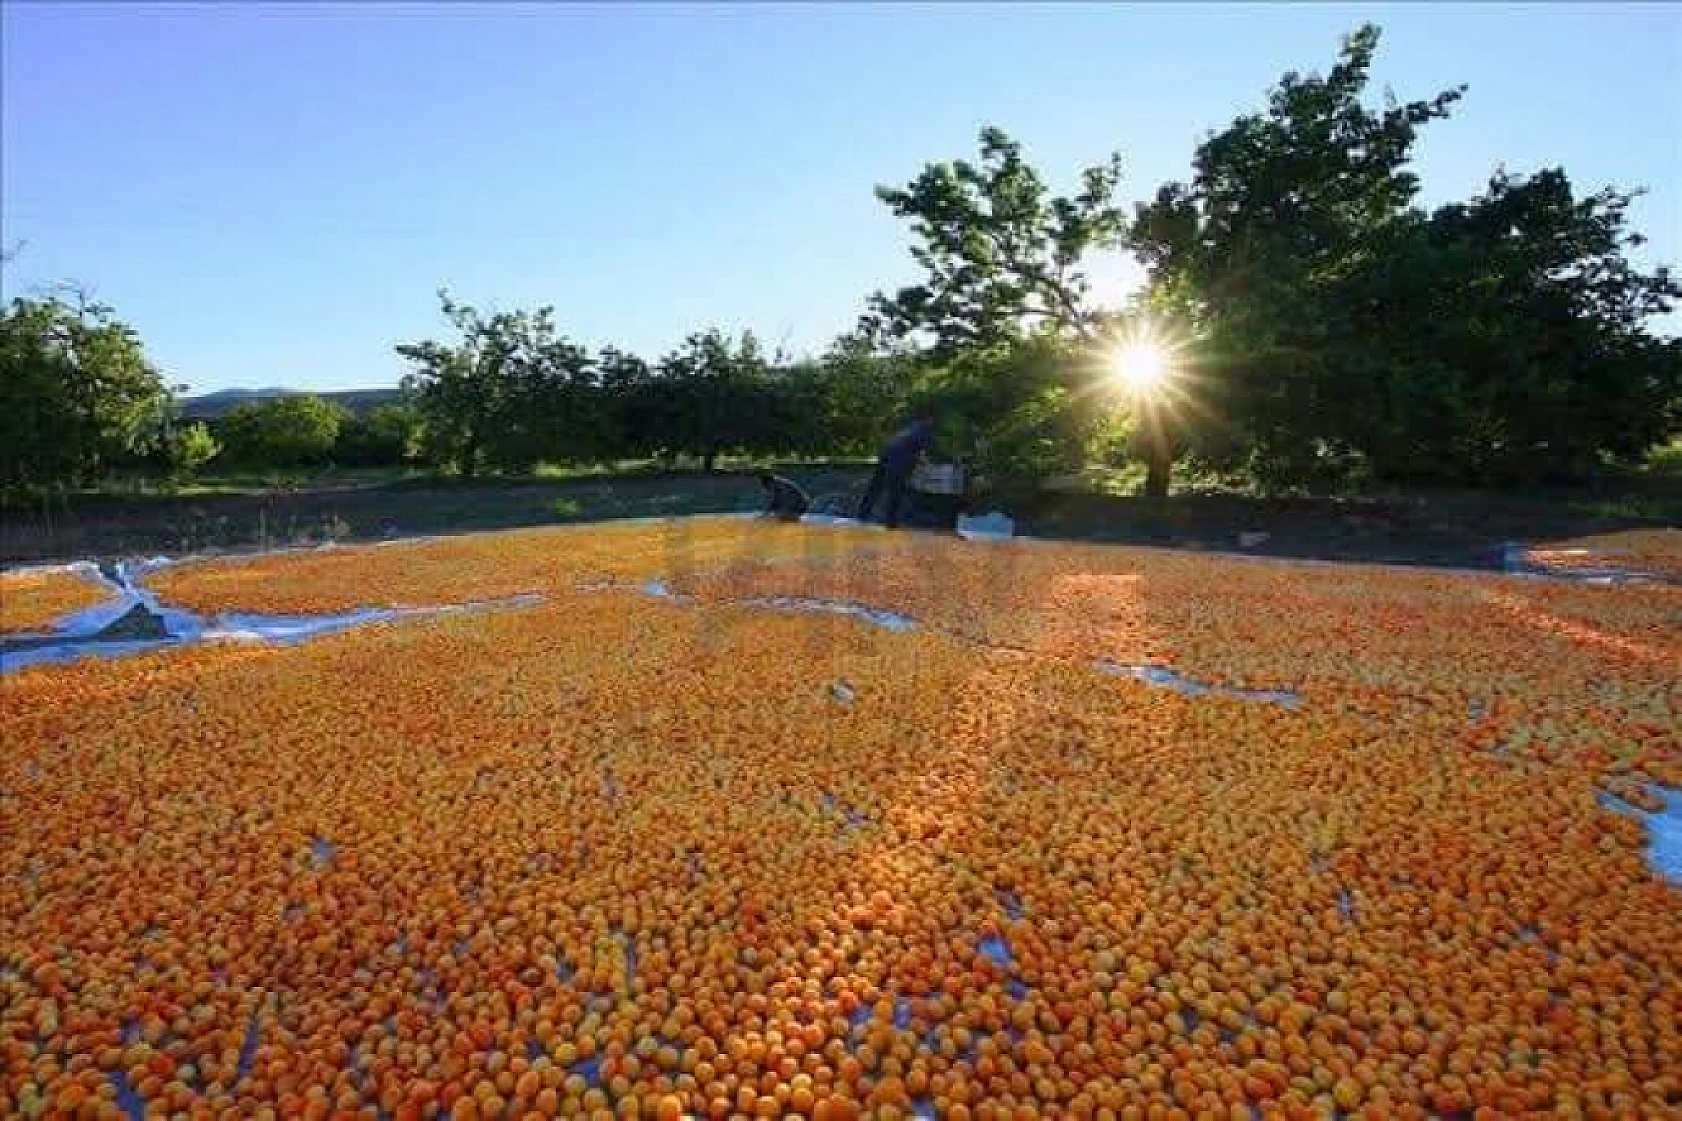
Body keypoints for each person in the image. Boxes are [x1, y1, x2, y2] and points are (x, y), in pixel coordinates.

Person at [857, 415, 935, 529]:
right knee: (895, 491)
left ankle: (862, 513)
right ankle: (890, 522)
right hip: (898, 461)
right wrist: (927, 466)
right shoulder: (923, 431)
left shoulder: (909, 428)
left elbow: (914, 450)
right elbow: (922, 452)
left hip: (886, 454)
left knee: (876, 486)